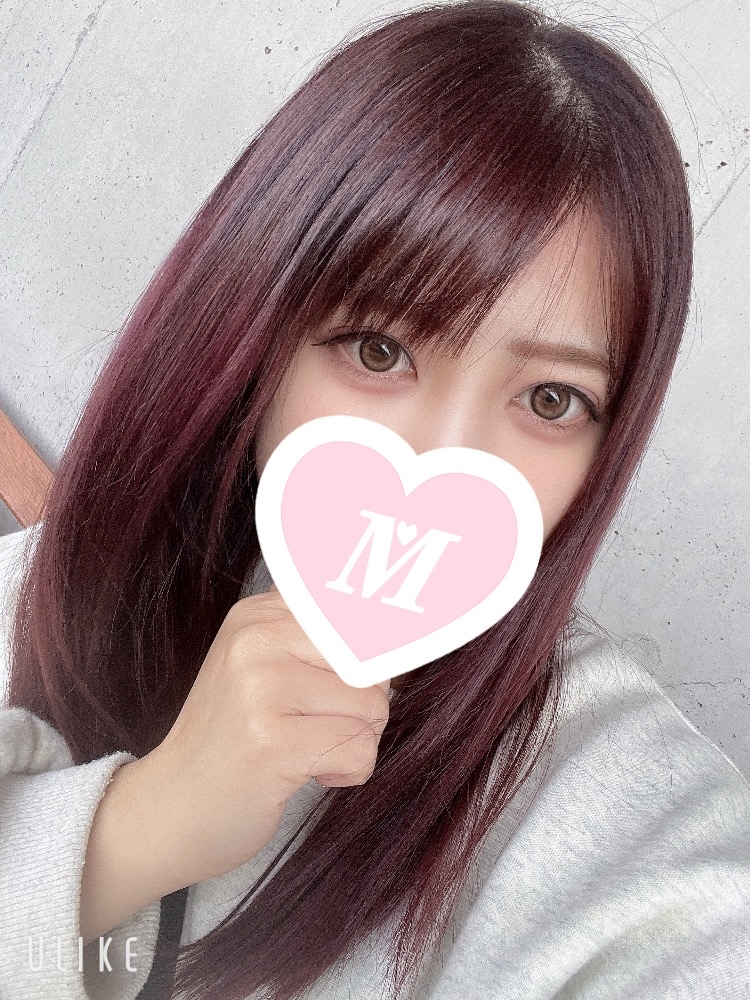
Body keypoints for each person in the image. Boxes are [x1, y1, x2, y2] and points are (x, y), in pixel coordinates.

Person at [1, 1, 749, 998]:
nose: (441, 458)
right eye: (380, 348)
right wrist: (136, 831)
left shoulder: (626, 813)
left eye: (550, 400)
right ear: (255, 329)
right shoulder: (44, 586)